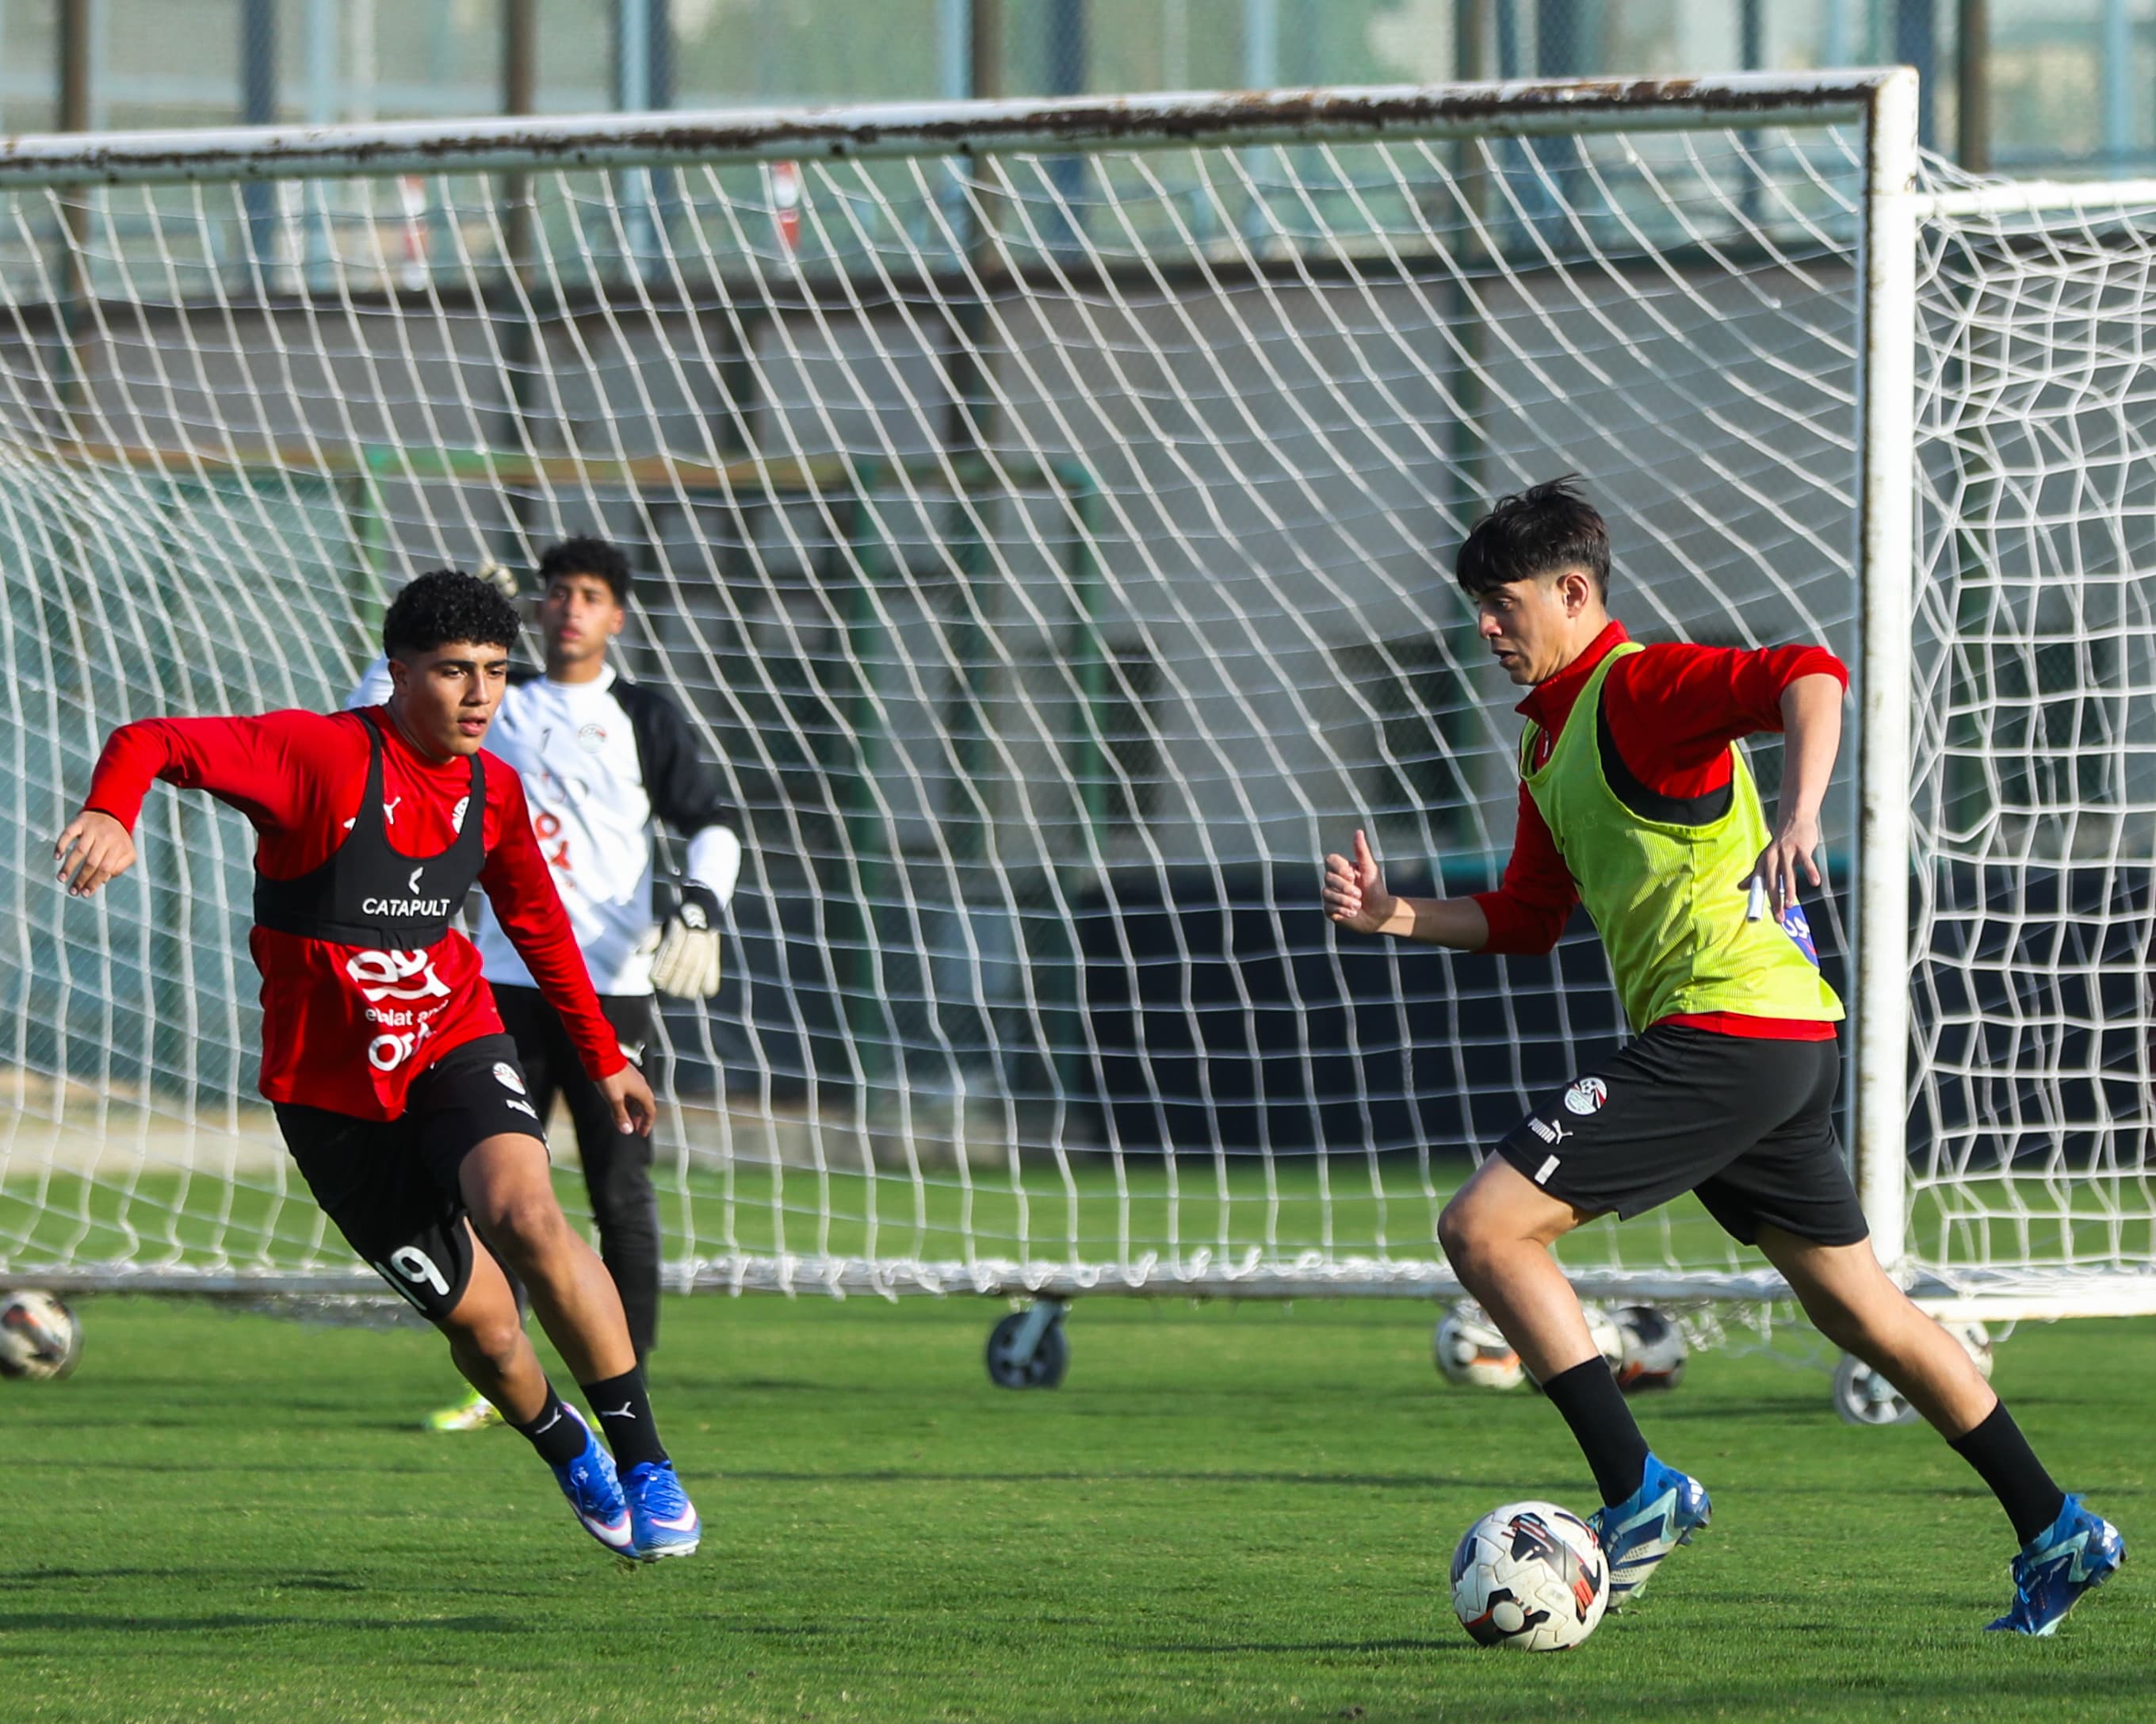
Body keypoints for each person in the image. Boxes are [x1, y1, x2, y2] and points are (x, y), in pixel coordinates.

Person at [1321, 478, 2121, 1634]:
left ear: (1574, 590)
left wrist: (1801, 811)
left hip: (1728, 1028)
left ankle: (1638, 1491)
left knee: (1485, 1227)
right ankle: (2058, 1525)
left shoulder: (1638, 685)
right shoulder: (1549, 744)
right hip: (1776, 1038)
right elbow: (1532, 916)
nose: (1486, 630)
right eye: (1478, 609)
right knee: (1863, 1308)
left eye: (1501, 605)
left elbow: (1809, 672)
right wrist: (1396, 915)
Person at [55, 570, 701, 1562]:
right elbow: (155, 739)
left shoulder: (493, 789)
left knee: (527, 1215)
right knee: (484, 1328)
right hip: (328, 1092)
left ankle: (648, 1460)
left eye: (492, 672)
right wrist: (113, 811)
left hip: (451, 1039)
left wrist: (603, 1052)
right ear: (398, 674)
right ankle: (561, 1440)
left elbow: (535, 923)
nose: (480, 695)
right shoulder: (315, 753)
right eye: (453, 672)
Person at [350, 536, 742, 1432]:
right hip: (494, 985)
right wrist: (433, 620)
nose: (569, 607)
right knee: (491, 1190)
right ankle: (498, 1373)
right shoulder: (494, 697)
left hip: (609, 986)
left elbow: (711, 821)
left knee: (618, 1192)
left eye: (590, 595)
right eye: (557, 591)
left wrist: (702, 907)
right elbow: (367, 714)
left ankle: (626, 1383)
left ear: (616, 616)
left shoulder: (641, 713)